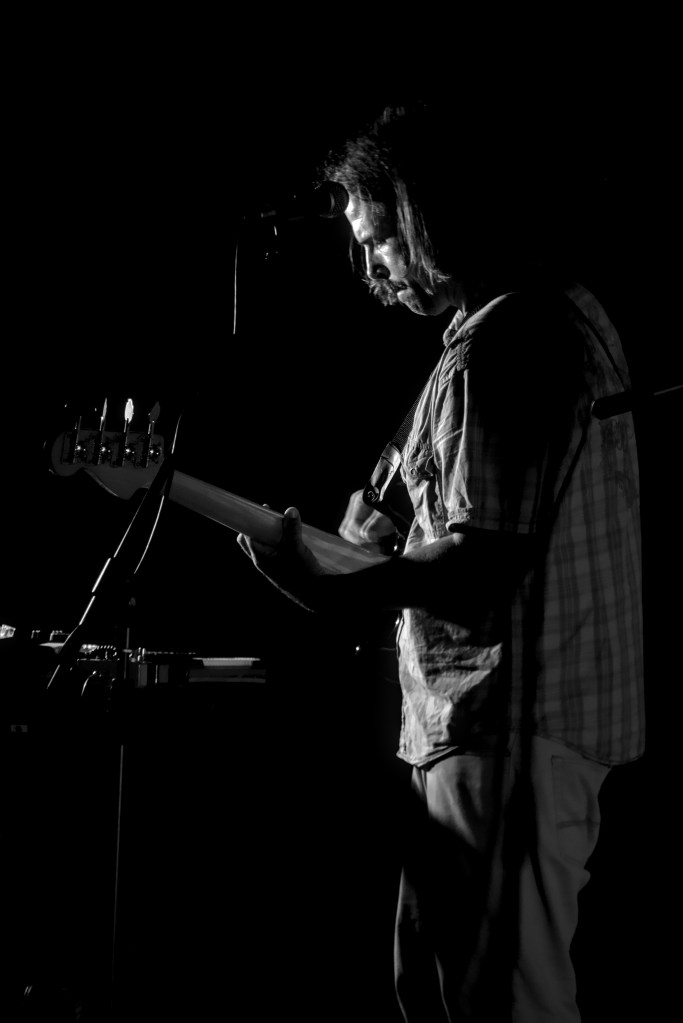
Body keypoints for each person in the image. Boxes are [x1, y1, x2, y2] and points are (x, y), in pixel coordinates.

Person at [237, 103, 644, 1022]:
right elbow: (420, 484)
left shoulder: (505, 347)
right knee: (437, 990)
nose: (370, 271)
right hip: (495, 733)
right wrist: (375, 517)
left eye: (377, 242)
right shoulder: (518, 321)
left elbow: (480, 564)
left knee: (500, 1007)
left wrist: (339, 582)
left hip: (508, 732)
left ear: (425, 216)